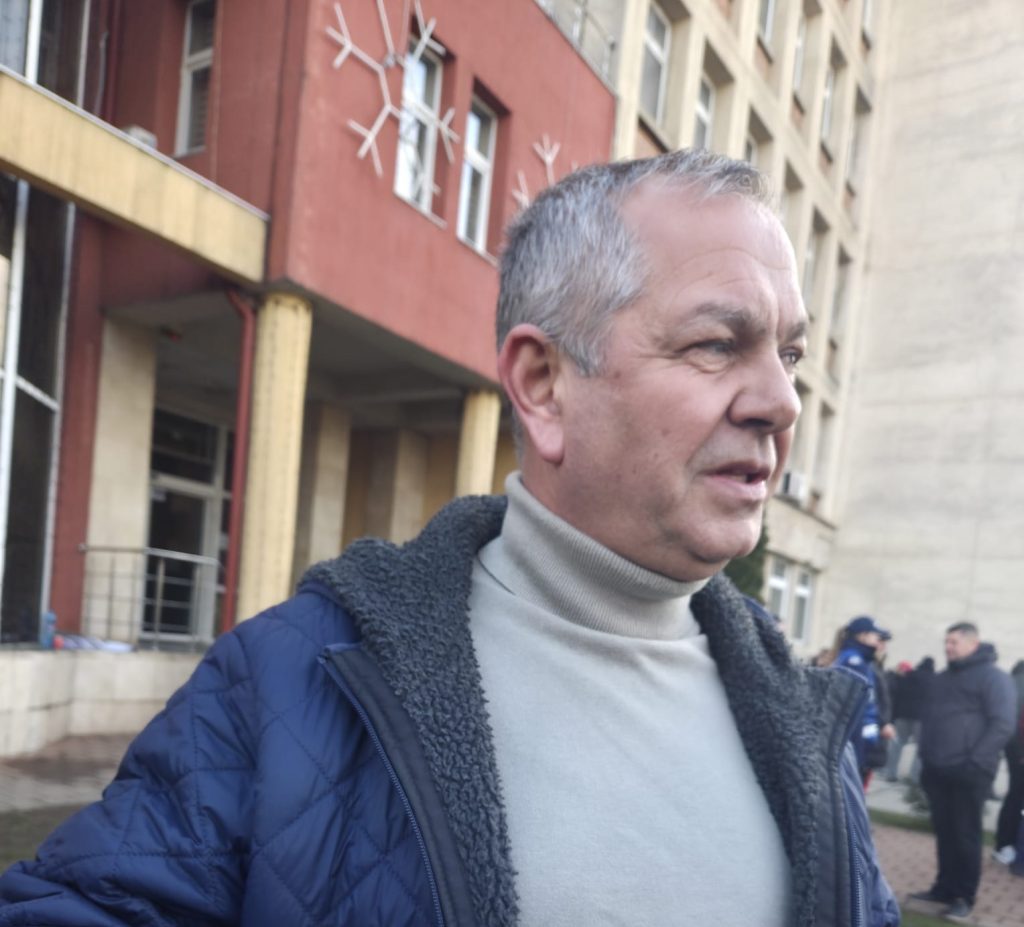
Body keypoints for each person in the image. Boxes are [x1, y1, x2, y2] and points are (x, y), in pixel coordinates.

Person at [0, 151, 899, 926]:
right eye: (717, 344)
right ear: (543, 384)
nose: (780, 402)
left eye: (788, 354)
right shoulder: (291, 682)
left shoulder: (805, 715)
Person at [911, 622, 1016, 921]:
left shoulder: (994, 679)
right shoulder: (943, 678)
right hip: (937, 769)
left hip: (970, 772)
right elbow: (929, 718)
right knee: (945, 832)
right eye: (946, 642)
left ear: (973, 643)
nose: (948, 647)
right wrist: (925, 755)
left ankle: (963, 897)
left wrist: (975, 760)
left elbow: (1003, 724)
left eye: (954, 642)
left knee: (966, 835)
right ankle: (944, 888)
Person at [833, 616, 895, 787]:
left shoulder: (861, 661)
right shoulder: (855, 662)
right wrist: (868, 744)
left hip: (858, 744)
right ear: (863, 636)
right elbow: (861, 709)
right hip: (855, 744)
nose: (878, 641)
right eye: (876, 636)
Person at [884, 656, 935, 783]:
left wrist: (893, 716)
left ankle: (890, 773)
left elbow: (897, 696)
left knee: (897, 744)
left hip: (902, 715)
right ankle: (914, 777)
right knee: (920, 748)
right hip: (920, 719)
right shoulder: (933, 680)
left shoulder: (907, 677)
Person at [993, 659, 1024, 864]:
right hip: (1019, 747)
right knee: (1017, 797)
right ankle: (1008, 845)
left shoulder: (1009, 682)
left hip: (1011, 746)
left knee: (1014, 795)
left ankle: (1004, 844)